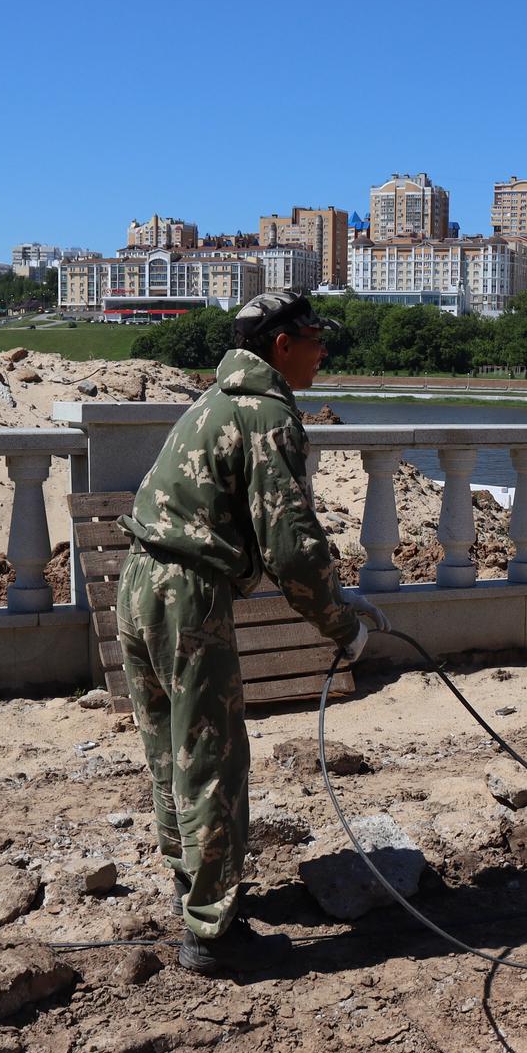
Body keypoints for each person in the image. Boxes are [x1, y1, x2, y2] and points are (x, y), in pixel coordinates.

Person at [116, 289, 389, 976]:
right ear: (280, 346)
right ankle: (213, 933)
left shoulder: (211, 404)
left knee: (172, 755)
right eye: (314, 337)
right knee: (211, 760)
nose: (323, 348)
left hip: (139, 582)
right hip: (187, 597)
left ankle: (197, 894)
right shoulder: (268, 415)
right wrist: (343, 626)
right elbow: (291, 546)